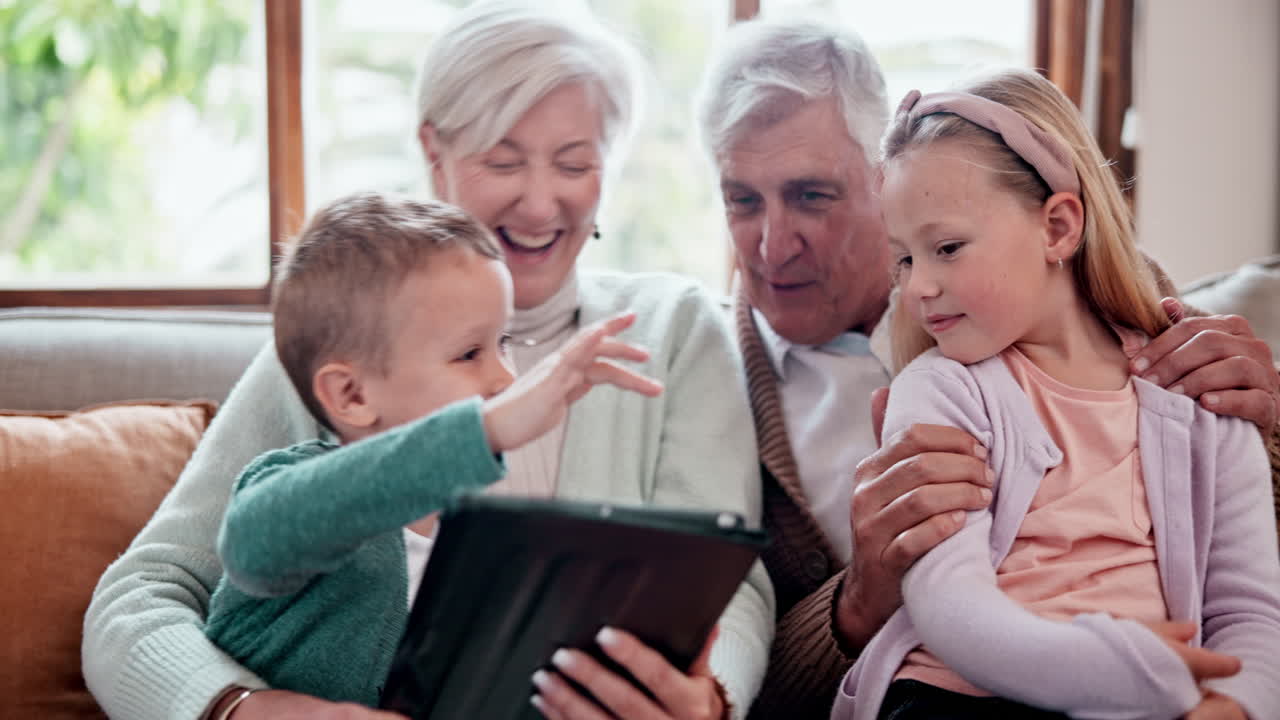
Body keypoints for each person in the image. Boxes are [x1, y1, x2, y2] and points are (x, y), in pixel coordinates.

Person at [83, 3, 773, 719]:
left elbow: (731, 582)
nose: (541, 202)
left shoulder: (675, 327)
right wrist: (243, 708)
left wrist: (707, 702)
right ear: (433, 151)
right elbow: (143, 594)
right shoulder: (348, 346)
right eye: (502, 160)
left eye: (576, 163)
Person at [694, 17, 1280, 720]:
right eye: (741, 200)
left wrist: (1268, 432)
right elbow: (745, 679)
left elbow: (1236, 570)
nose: (771, 246)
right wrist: (860, 599)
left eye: (812, 196)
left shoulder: (1114, 309)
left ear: (880, 180)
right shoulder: (710, 381)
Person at [202, 192, 665, 709]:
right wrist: (483, 430)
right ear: (351, 395)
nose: (504, 376)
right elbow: (254, 539)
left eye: (503, 342)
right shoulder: (298, 494)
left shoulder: (481, 537)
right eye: (470, 353)